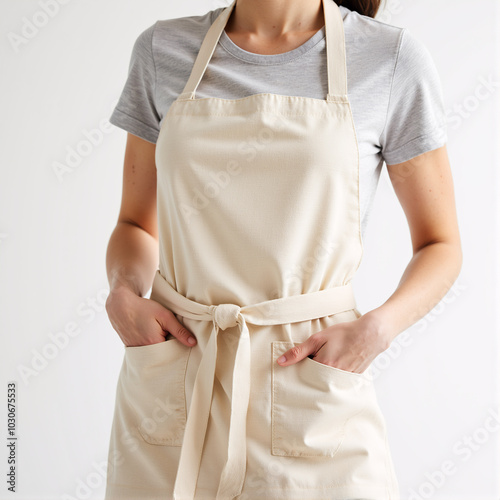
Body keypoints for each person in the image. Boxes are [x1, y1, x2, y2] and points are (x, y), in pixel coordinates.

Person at [103, 0, 462, 498]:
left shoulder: (390, 58)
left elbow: (440, 244)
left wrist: (376, 330)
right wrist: (123, 293)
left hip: (311, 383)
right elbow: (133, 224)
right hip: (178, 377)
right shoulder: (162, 51)